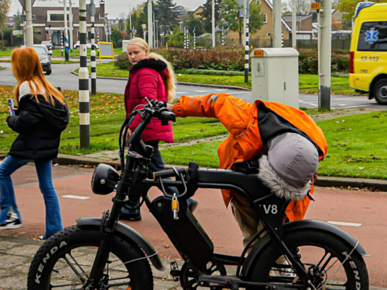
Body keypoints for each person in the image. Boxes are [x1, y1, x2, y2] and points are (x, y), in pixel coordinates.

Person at [171, 93, 328, 246]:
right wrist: (176, 108)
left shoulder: (312, 143)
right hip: (244, 176)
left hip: (288, 187)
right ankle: (256, 258)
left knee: (272, 243)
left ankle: (271, 260)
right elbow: (216, 102)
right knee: (253, 237)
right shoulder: (248, 119)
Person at [0, 46, 69, 238]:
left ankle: (9, 216)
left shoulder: (26, 87)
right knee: (47, 187)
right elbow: (40, 115)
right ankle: (54, 229)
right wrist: (23, 113)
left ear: (21, 66)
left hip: (31, 145)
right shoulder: (48, 87)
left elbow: (25, 123)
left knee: (2, 172)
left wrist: (11, 118)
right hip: (47, 145)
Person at [120, 38, 176, 221]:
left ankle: (181, 199)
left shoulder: (145, 72)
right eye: (130, 53)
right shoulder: (143, 71)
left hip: (146, 129)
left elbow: (148, 103)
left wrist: (132, 127)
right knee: (137, 169)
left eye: (136, 52)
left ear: (146, 51)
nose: (132, 57)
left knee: (151, 169)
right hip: (146, 127)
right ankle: (131, 208)